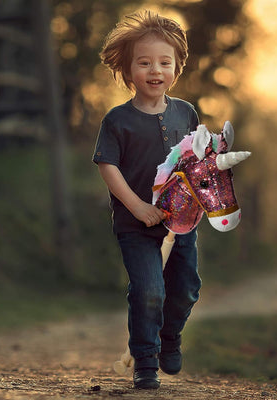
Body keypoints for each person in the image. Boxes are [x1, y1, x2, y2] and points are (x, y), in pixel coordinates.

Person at [92, 10, 201, 390]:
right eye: (144, 62)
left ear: (177, 67)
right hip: (136, 225)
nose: (155, 70)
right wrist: (137, 207)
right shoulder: (117, 121)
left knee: (186, 289)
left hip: (180, 223)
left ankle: (170, 338)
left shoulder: (186, 113)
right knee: (149, 290)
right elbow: (107, 166)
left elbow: (194, 161)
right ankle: (145, 359)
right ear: (127, 70)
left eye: (164, 62)